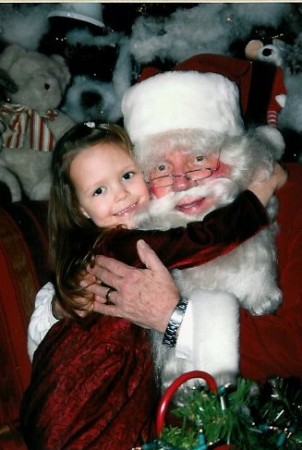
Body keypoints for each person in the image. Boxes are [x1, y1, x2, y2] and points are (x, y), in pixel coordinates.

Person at [20, 120, 280, 450]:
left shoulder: (92, 250)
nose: (122, 194)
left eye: (127, 176)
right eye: (99, 190)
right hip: (86, 398)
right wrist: (256, 198)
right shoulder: (122, 244)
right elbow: (197, 240)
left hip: (83, 395)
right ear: (80, 209)